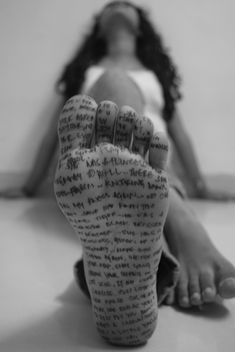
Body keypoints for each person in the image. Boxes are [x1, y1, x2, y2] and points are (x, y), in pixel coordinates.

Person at [1, 1, 235, 313]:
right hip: (96, 166)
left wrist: (202, 185)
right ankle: (177, 218)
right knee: (114, 81)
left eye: (127, 4)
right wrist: (29, 186)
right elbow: (51, 135)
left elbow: (181, 135)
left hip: (156, 157)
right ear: (98, 29)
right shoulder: (84, 73)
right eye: (112, 5)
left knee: (153, 148)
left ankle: (133, 262)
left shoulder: (156, 75)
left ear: (141, 28)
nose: (120, 4)